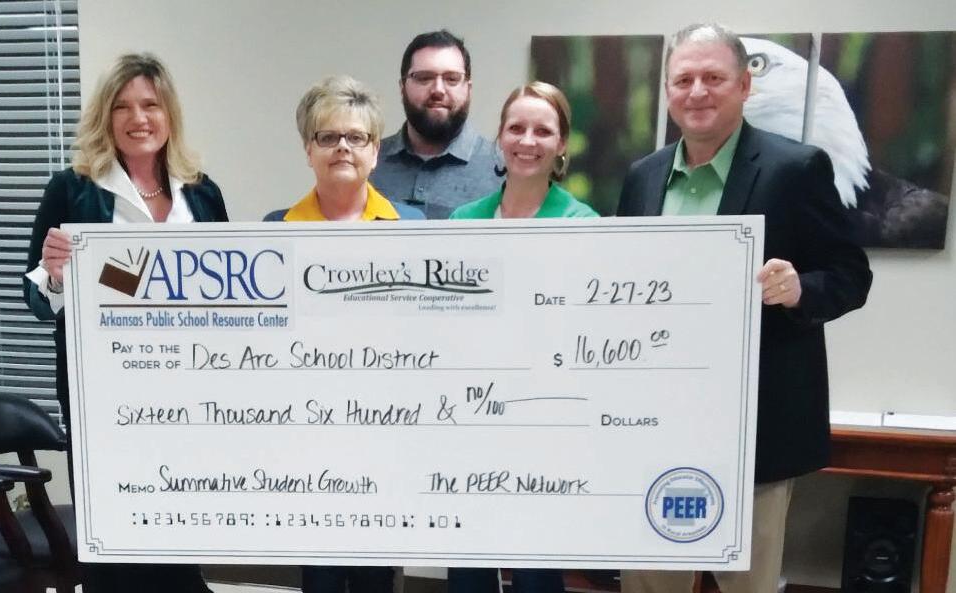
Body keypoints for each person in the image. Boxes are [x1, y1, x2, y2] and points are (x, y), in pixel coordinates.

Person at [617, 24, 872, 593]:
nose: (697, 92)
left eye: (713, 77)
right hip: (656, 425)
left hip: (756, 431)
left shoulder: (796, 169)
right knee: (649, 583)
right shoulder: (642, 178)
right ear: (667, 90)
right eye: (683, 79)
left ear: (744, 86)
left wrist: (799, 289)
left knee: (746, 585)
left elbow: (851, 275)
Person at [23, 52, 226, 593]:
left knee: (177, 522)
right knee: (114, 530)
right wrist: (57, 275)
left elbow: (226, 292)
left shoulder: (202, 193)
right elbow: (35, 297)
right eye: (123, 107)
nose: (139, 118)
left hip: (187, 391)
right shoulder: (71, 189)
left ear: (169, 114)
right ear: (105, 117)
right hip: (103, 398)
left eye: (150, 105)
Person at [264, 75, 422, 592]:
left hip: (388, 426)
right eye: (328, 137)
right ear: (308, 150)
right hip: (307, 430)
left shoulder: (413, 227)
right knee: (322, 573)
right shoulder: (274, 230)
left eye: (356, 137)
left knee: (378, 572)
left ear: (375, 150)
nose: (342, 148)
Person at [448, 81, 596, 593]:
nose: (527, 141)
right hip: (471, 415)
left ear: (562, 145)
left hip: (546, 418)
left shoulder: (584, 225)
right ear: (500, 137)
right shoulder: (463, 222)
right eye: (516, 128)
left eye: (542, 131)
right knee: (468, 560)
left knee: (537, 566)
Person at [370, 30, 501, 219]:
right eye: (424, 78)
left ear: (468, 89)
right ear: (402, 88)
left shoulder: (501, 169)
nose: (438, 90)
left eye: (452, 79)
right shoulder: (367, 163)